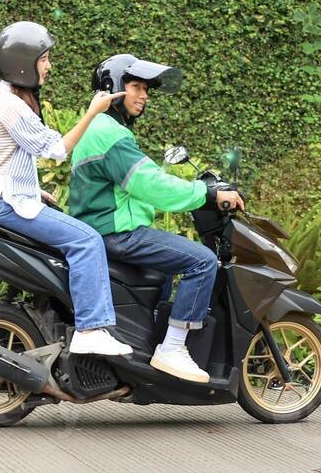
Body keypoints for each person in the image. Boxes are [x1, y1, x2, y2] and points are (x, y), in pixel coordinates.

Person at [68, 54, 244, 382]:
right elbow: (151, 185)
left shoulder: (101, 129)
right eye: (135, 86)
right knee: (203, 261)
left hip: (105, 229)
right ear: (113, 89)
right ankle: (173, 348)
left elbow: (141, 181)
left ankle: (142, 350)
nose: (144, 95)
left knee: (163, 271)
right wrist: (208, 193)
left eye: (146, 88)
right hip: (117, 232)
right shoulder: (111, 134)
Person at [0, 22, 133, 356]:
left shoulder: (4, 93)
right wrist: (92, 112)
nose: (49, 66)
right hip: (4, 204)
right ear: (23, 63)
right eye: (44, 59)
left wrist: (32, 190)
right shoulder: (11, 105)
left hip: (2, 197)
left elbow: (6, 155)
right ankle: (90, 328)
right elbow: (56, 149)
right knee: (86, 240)